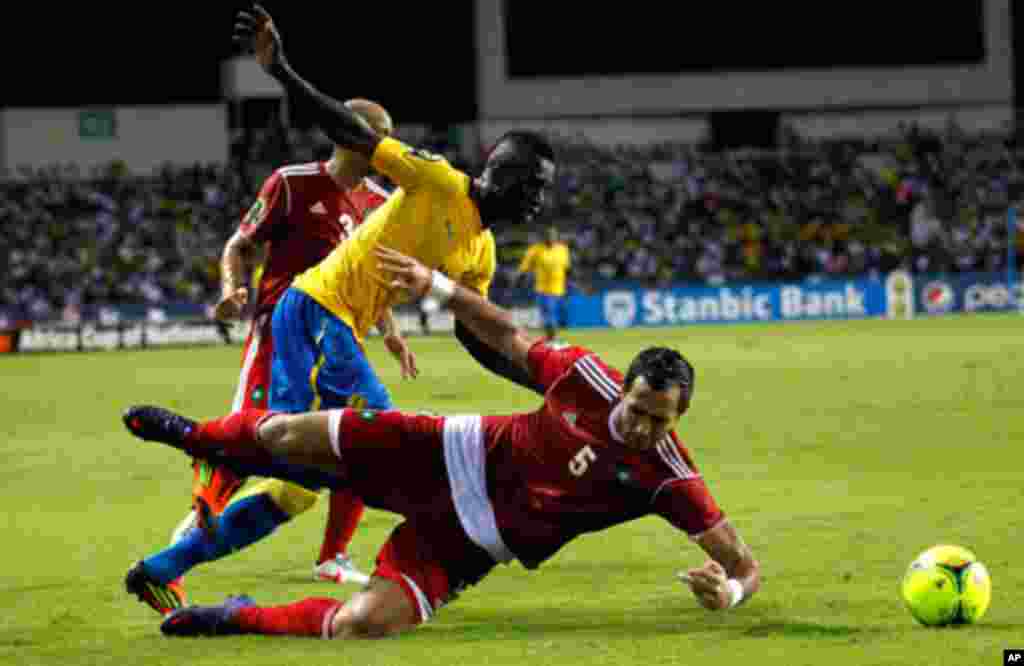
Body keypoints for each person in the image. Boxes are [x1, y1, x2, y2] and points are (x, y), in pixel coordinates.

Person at [122, 244, 762, 640]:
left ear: (680, 418)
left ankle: (234, 617)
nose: (645, 427)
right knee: (291, 433)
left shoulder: (668, 475)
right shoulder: (585, 377)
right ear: (625, 389)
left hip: (471, 541)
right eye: (640, 409)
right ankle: (195, 437)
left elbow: (743, 564)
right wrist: (439, 290)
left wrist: (729, 592)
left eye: (661, 421)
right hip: (451, 450)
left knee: (359, 626)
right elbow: (511, 336)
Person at [125, 99, 411, 617]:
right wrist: (234, 289)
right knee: (251, 442)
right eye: (379, 134)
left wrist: (389, 330)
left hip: (341, 341)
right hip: (282, 334)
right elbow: (240, 244)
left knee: (346, 451)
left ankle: (325, 555)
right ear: (346, 134)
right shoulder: (291, 183)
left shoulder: (378, 201)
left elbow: (368, 276)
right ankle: (185, 536)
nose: (387, 145)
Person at [231, 3, 554, 399]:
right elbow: (352, 131)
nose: (539, 200)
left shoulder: (482, 252)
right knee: (373, 436)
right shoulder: (439, 181)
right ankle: (205, 441)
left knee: (308, 447)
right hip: (314, 307)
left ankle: (217, 445)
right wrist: (281, 69)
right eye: (535, 185)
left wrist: (544, 384)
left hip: (342, 325)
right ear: (503, 173)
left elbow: (476, 334)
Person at [518, 226, 572, 340]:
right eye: (548, 236)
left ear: (556, 237)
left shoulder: (562, 249)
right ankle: (553, 339)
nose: (551, 238)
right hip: (544, 289)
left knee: (555, 316)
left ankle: (550, 338)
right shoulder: (536, 250)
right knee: (549, 315)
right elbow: (524, 267)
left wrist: (571, 283)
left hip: (560, 289)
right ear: (543, 238)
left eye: (553, 236)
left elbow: (567, 269)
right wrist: (520, 279)